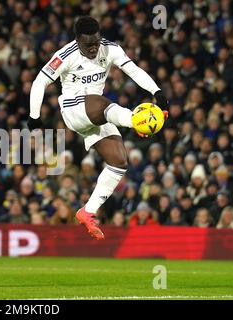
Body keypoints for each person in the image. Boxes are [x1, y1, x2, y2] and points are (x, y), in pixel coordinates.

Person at [27, 16, 168, 240]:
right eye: (88, 44)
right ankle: (136, 121)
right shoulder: (65, 55)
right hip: (74, 109)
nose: (93, 48)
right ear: (77, 40)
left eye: (96, 42)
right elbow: (39, 82)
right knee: (101, 102)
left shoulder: (110, 49)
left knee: (119, 161)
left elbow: (134, 71)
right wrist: (34, 116)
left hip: (97, 115)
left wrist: (157, 92)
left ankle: (88, 211)